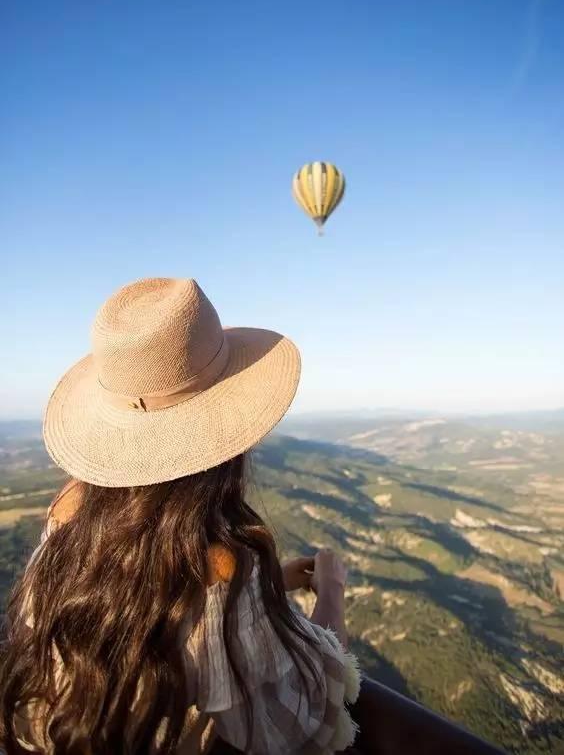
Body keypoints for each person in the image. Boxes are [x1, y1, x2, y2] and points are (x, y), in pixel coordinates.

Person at [0, 277, 359, 754]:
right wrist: (331, 590)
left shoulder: (67, 513)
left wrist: (275, 582)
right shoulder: (221, 566)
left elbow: (138, 594)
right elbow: (298, 713)